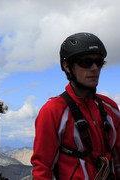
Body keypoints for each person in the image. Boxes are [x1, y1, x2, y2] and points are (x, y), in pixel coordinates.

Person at [31, 32, 120, 179]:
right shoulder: (53, 111)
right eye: (86, 62)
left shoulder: (109, 107)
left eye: (99, 62)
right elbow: (42, 167)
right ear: (67, 66)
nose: (94, 68)